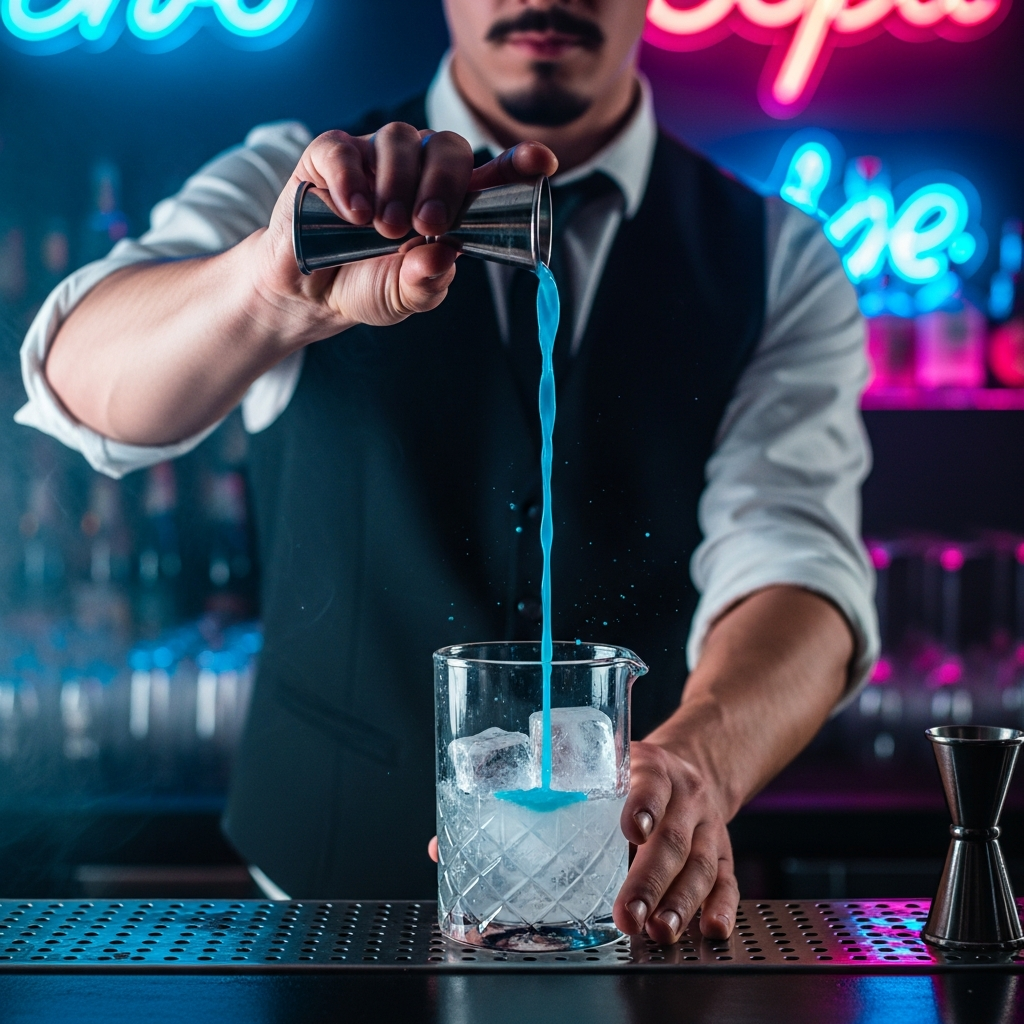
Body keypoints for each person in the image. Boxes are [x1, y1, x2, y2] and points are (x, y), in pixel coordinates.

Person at [18, 0, 877, 944]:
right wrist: (267, 288)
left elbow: (798, 567)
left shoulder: (779, 259)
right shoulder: (292, 182)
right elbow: (77, 375)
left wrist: (699, 759)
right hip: (318, 909)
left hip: (620, 910)